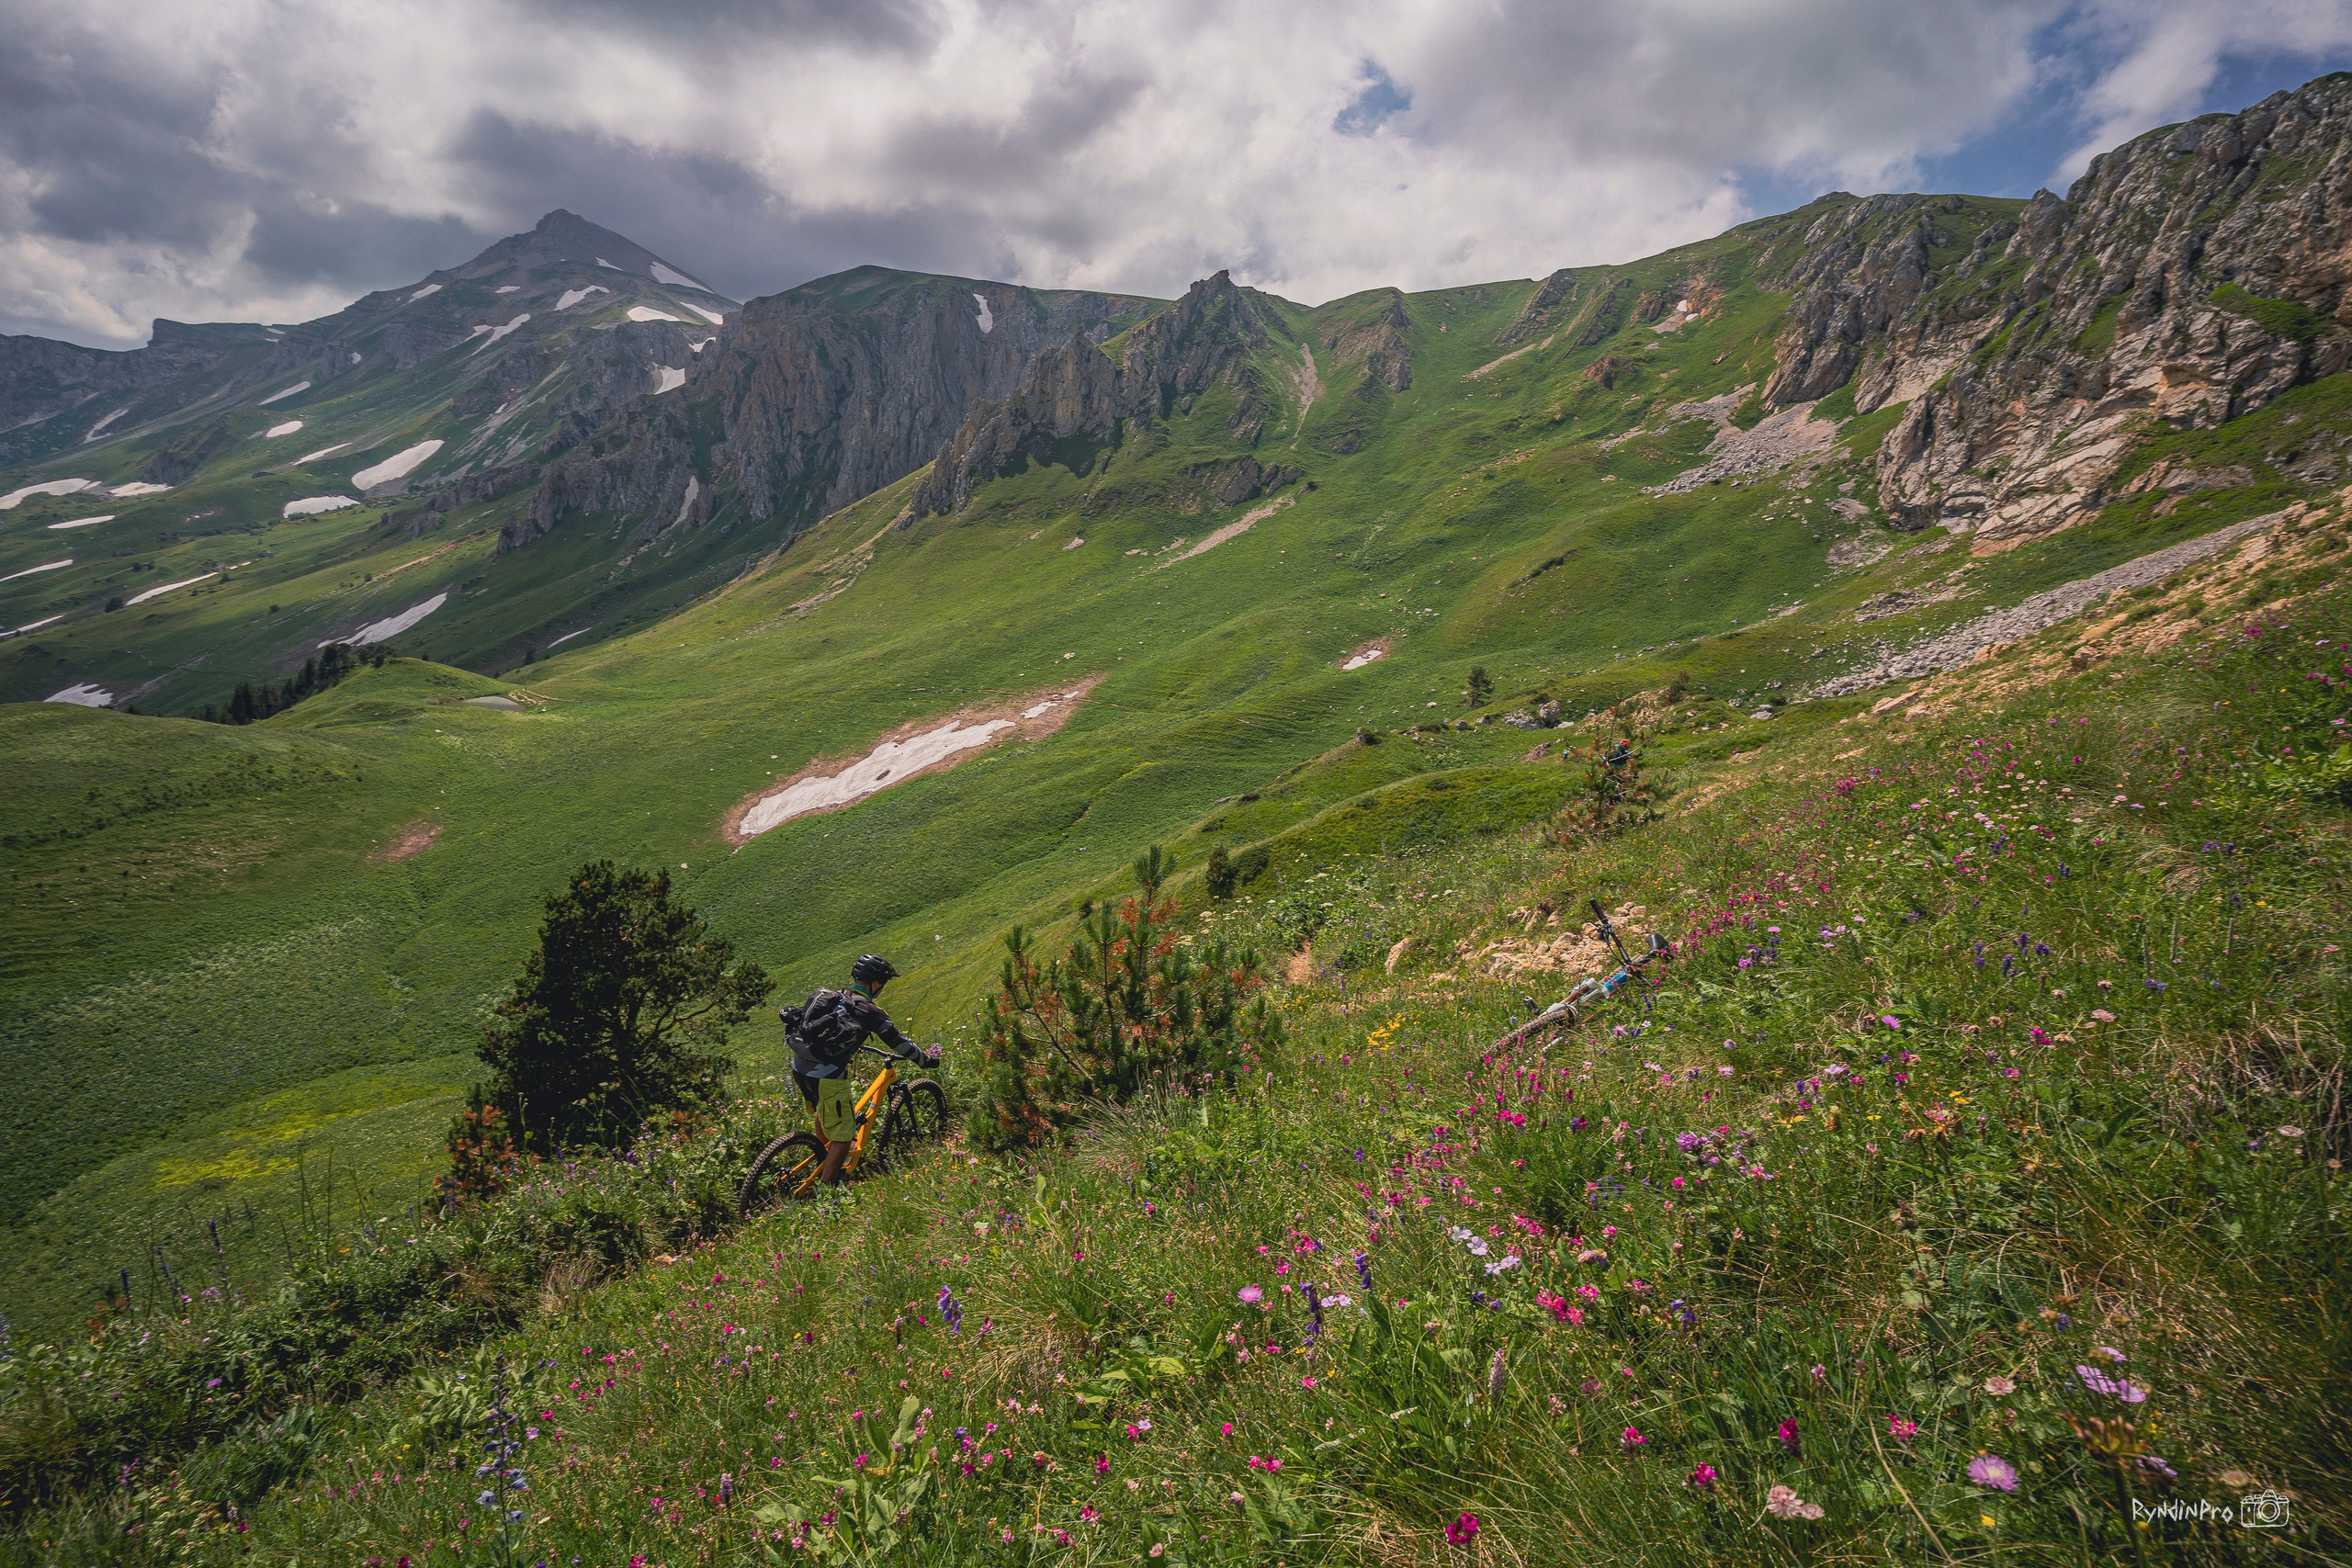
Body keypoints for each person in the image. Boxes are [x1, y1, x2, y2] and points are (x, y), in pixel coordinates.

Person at [786, 953, 934, 1185]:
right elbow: (899, 1043)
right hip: (827, 1077)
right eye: (882, 984)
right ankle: (827, 1187)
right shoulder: (870, 1012)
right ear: (875, 983)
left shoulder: (837, 998)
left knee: (823, 1111)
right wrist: (925, 1060)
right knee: (844, 1138)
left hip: (799, 1067)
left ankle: (825, 1158)